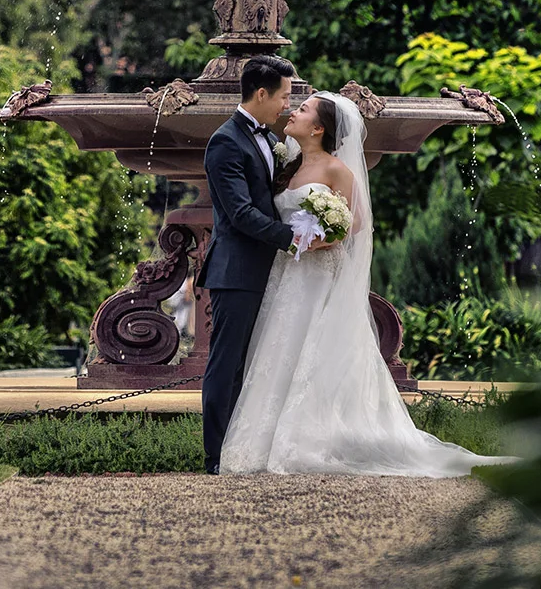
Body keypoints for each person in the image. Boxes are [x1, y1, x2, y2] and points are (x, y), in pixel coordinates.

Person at [218, 91, 516, 476]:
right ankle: (259, 441)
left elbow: (353, 223)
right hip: (285, 273)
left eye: (304, 109)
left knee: (314, 351)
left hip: (318, 273)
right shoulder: (287, 163)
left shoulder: (337, 169)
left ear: (319, 128)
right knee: (276, 349)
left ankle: (310, 439)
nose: (294, 110)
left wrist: (316, 240)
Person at [196, 54, 299, 475]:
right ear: (262, 93)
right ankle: (216, 458)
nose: (287, 106)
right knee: (227, 365)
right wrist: (294, 238)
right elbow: (239, 214)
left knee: (253, 365)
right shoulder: (226, 142)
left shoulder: (264, 137)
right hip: (236, 273)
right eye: (284, 97)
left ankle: (243, 451)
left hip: (264, 271)